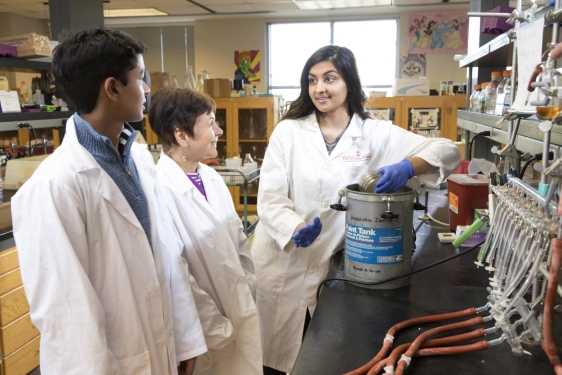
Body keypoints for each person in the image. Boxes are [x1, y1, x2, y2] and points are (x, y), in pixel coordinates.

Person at [251, 45, 460, 374]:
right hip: (281, 256)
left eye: (330, 78)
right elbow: (271, 196)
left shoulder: (375, 134)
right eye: (312, 80)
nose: (320, 88)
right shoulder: (288, 131)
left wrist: (408, 166)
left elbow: (448, 151)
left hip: (330, 265)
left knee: (321, 355)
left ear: (349, 82)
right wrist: (293, 227)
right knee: (273, 358)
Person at [11, 28, 206, 374]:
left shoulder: (140, 158)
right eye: (140, 78)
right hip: (113, 362)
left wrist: (186, 338)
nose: (147, 89)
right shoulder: (55, 186)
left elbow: (166, 256)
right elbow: (67, 312)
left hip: (159, 349)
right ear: (112, 88)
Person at [148, 87, 263, 375]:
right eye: (210, 123)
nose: (219, 131)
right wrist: (217, 329)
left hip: (239, 312)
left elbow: (238, 241)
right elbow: (178, 276)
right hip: (207, 337)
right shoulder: (159, 191)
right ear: (182, 135)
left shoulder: (210, 177)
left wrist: (248, 292)